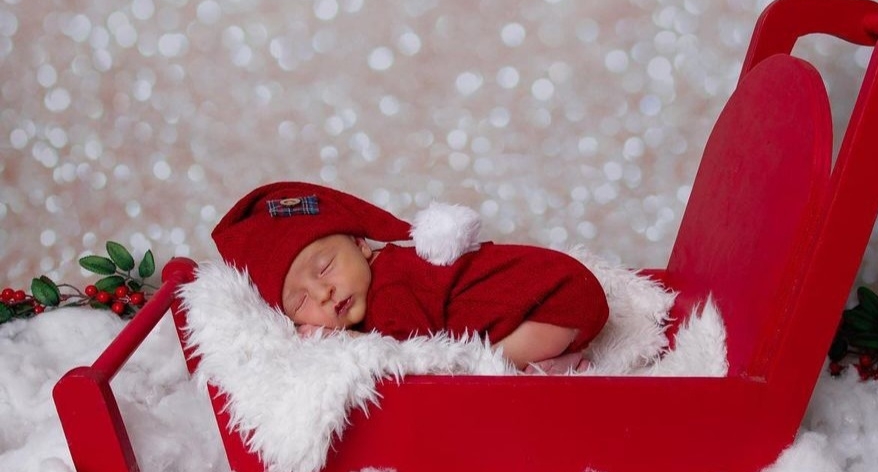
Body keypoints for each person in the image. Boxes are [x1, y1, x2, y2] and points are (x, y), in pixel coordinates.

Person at [211, 181, 609, 373]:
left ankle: (548, 366)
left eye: (325, 267)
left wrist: (344, 341)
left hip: (560, 297)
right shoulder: (375, 284)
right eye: (300, 302)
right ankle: (561, 357)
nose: (323, 292)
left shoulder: (392, 286)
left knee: (484, 366)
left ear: (362, 245)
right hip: (563, 295)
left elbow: (408, 356)